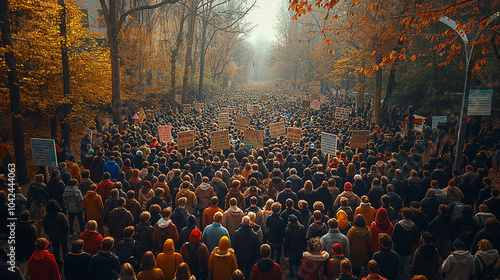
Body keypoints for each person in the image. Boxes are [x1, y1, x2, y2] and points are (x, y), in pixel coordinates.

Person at [391, 207, 418, 280]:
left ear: (403, 215)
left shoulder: (398, 225)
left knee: (398, 267)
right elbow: (415, 239)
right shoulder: (414, 226)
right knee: (406, 267)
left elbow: (393, 237)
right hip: (409, 250)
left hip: (398, 249)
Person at [42, 200, 68, 269]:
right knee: (65, 249)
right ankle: (66, 262)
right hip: (62, 235)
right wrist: (65, 233)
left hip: (53, 236)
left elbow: (45, 228)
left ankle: (57, 263)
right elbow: (66, 226)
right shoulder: (61, 215)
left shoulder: (45, 217)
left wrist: (49, 233)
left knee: (55, 250)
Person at [16, 210, 37, 277]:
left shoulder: (16, 228)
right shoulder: (31, 228)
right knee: (31, 268)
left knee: (22, 267)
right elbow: (33, 241)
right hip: (29, 250)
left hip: (20, 249)